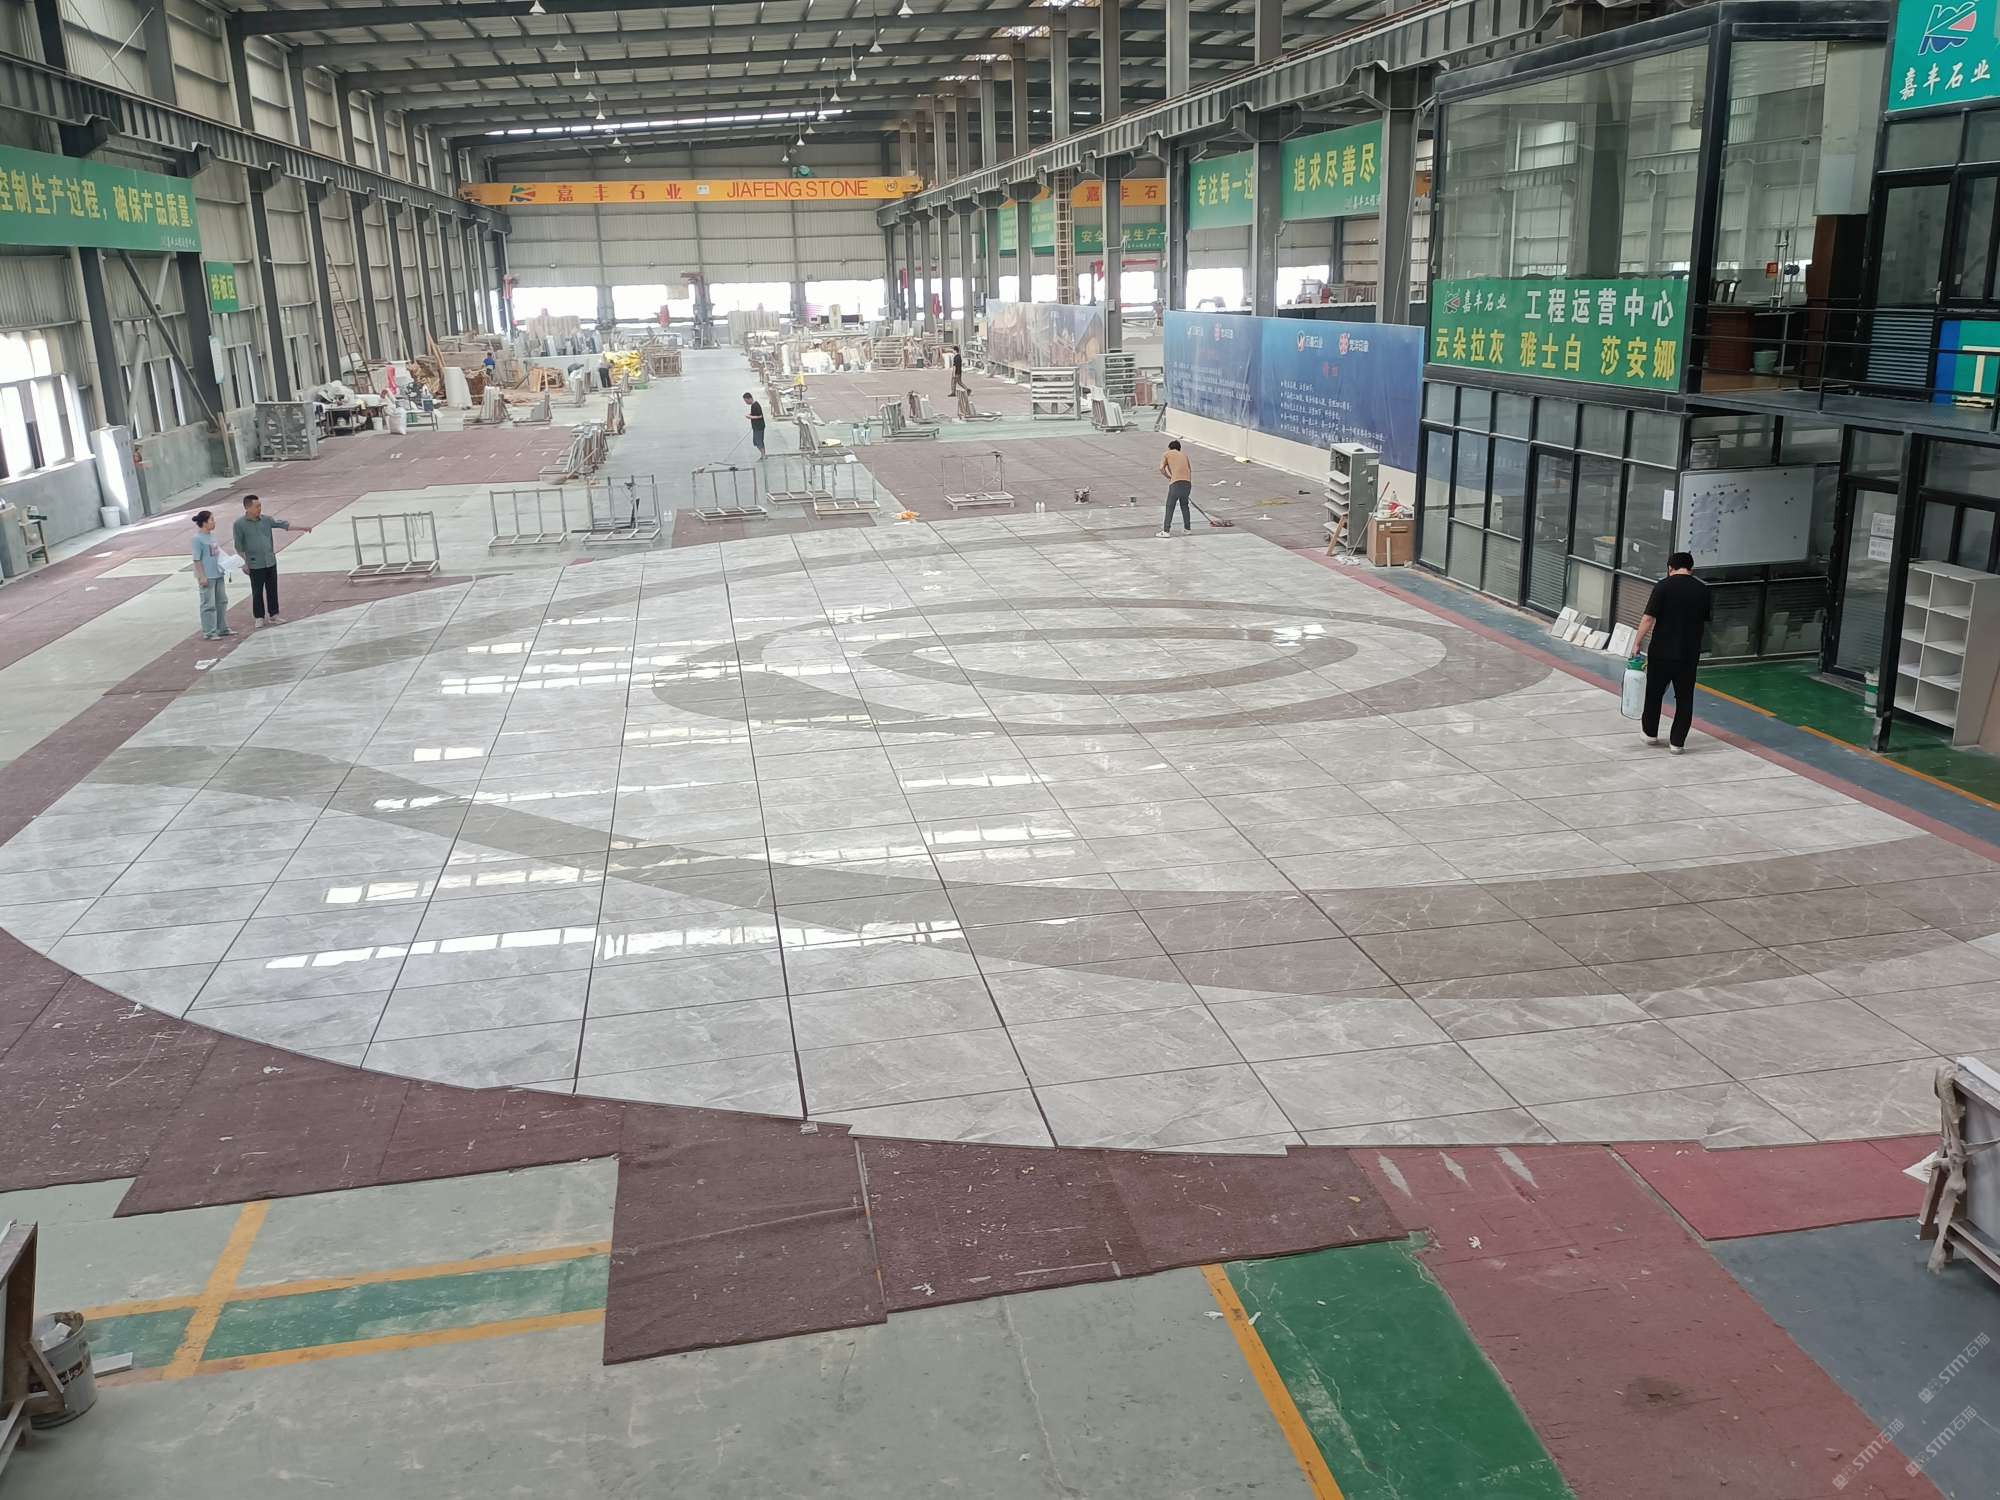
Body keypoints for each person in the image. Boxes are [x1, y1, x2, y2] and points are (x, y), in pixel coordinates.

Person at [1632, 551, 1712, 755]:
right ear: (1691, 569)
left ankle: (1650, 733)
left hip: (1661, 651)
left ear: (1670, 568)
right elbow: (1704, 619)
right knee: (1684, 699)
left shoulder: (1662, 587)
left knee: (1654, 693)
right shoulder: (1703, 590)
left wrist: (1637, 642)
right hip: (1689, 654)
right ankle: (1677, 743)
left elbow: (1648, 618)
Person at [232, 493, 309, 627]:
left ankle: (274, 614)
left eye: (260, 506)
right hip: (254, 563)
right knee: (257, 591)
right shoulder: (239, 524)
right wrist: (245, 562)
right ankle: (259, 617)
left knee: (272, 589)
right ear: (247, 508)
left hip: (270, 561)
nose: (259, 509)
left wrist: (303, 527)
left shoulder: (266, 520)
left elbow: (283, 525)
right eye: (257, 506)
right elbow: (238, 546)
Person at [189, 510, 233, 641]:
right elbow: (197, 559)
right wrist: (202, 576)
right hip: (207, 575)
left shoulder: (212, 536)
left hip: (218, 573)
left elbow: (217, 553)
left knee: (222, 601)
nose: (214, 522)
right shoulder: (197, 539)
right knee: (208, 604)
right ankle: (209, 631)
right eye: (212, 520)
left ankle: (222, 628)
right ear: (204, 523)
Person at [1158, 439, 1194, 537]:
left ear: (1170, 448)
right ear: (1179, 448)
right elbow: (1189, 469)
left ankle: (1166, 531)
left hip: (1175, 483)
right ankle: (1187, 529)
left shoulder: (1167, 454)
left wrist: (1169, 477)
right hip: (1187, 483)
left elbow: (1161, 468)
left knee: (1170, 506)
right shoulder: (1184, 455)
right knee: (1185, 506)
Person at [743, 392, 766, 458]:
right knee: (756, 441)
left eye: (746, 401)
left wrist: (750, 417)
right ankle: (763, 454)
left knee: (759, 441)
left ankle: (763, 455)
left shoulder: (756, 405)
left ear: (750, 398)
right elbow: (755, 413)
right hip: (756, 427)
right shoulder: (753, 406)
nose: (746, 402)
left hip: (759, 427)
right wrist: (750, 414)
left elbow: (760, 416)